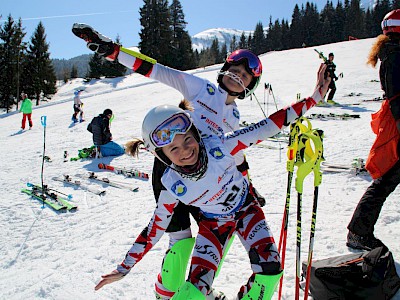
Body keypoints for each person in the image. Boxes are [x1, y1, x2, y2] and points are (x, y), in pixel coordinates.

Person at [92, 62, 331, 298]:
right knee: (195, 291)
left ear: (196, 133)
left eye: (188, 140)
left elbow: (271, 124)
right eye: (173, 148)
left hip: (247, 210)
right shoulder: (172, 184)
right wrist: (124, 268)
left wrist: (314, 97)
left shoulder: (222, 144)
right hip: (215, 225)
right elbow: (154, 228)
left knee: (270, 273)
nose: (185, 151)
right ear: (161, 155)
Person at [72, 24, 269, 299]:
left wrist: (248, 186)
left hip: (207, 180)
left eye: (245, 76)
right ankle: (164, 296)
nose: (238, 77)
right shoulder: (202, 89)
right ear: (224, 69)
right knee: (180, 239)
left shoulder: (233, 116)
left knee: (214, 239)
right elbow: (158, 71)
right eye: (234, 70)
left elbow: (235, 156)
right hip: (171, 170)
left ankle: (200, 290)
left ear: (250, 85)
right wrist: (115, 52)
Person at [347, 9, 400, 251]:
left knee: (388, 179)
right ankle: (358, 231)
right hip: (397, 122)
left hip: (396, 121)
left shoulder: (393, 53)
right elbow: (397, 95)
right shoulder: (395, 55)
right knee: (387, 179)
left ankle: (359, 231)